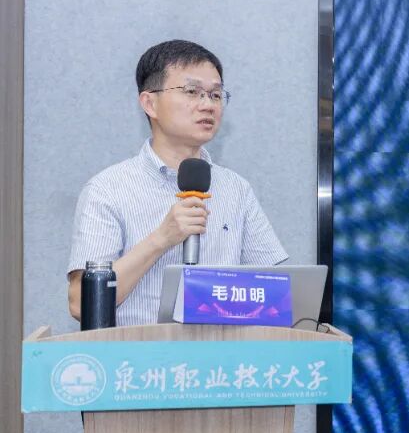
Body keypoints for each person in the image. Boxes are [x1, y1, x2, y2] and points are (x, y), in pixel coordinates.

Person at [67, 40, 287, 325]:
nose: (208, 105)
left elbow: (276, 293)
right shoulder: (107, 190)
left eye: (216, 95)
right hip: (139, 351)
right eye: (192, 92)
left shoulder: (236, 189)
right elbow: (79, 303)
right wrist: (162, 238)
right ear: (150, 103)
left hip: (221, 352)